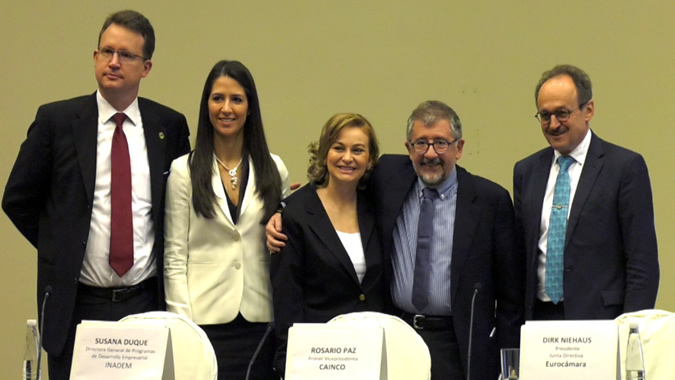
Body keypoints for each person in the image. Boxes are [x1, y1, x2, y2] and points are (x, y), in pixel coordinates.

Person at [268, 101, 524, 380]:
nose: (430, 154)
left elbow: (511, 297)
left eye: (440, 143)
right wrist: (282, 210)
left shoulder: (490, 201)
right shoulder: (389, 178)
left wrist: (510, 363)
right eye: (420, 143)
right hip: (394, 338)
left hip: (459, 344)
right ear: (408, 148)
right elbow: (333, 184)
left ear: (459, 148)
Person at [2, 10, 191, 379]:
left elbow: (184, 204)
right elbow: (17, 199)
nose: (114, 62)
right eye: (106, 51)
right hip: (77, 305)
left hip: (145, 303)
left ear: (146, 67)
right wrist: (62, 248)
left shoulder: (168, 127)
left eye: (126, 55)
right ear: (94, 57)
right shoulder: (57, 122)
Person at [164, 59, 290, 379]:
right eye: (217, 98)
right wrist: (183, 327)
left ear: (250, 108)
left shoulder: (275, 170)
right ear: (207, 105)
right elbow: (175, 257)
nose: (226, 108)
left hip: (260, 318)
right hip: (204, 320)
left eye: (236, 99)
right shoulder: (184, 171)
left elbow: (282, 248)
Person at [513, 64, 659, 320]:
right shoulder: (527, 171)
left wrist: (631, 332)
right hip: (540, 321)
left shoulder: (624, 168)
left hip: (602, 321)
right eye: (545, 115)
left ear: (588, 110)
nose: (553, 124)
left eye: (562, 113)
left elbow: (642, 264)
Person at [269, 113, 385, 377]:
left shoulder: (378, 208)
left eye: (358, 150)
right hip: (319, 358)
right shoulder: (297, 214)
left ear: (369, 160)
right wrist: (289, 363)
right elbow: (287, 299)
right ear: (324, 153)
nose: (347, 158)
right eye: (338, 148)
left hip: (370, 353)